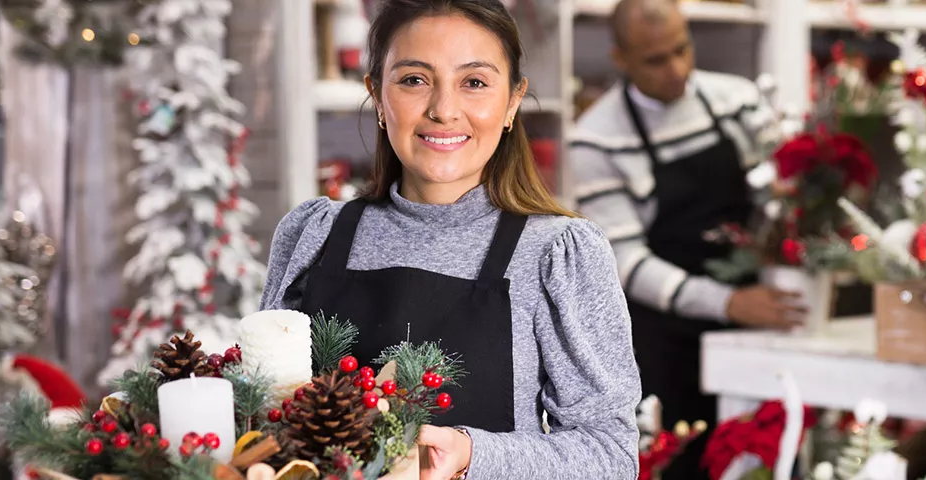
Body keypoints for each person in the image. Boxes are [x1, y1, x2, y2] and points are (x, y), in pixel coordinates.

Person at [260, 1, 641, 478]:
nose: (443, 110)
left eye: (475, 83)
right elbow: (261, 415)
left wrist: (470, 455)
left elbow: (610, 455)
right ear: (377, 95)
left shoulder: (557, 253)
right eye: (414, 80)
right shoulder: (312, 234)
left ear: (512, 103)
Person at [569, 0, 806, 477]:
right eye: (655, 60)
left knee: (767, 457)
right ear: (621, 58)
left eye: (682, 49)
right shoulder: (596, 139)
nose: (676, 69)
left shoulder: (736, 100)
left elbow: (778, 194)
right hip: (666, 342)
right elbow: (627, 261)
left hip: (753, 322)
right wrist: (726, 302)